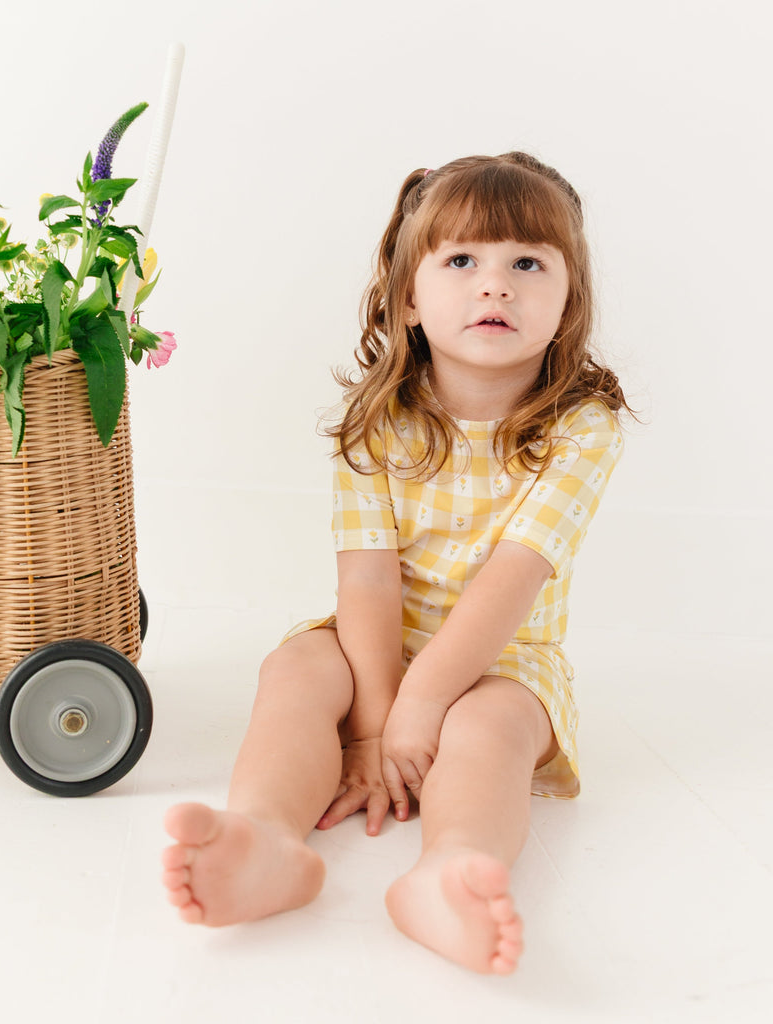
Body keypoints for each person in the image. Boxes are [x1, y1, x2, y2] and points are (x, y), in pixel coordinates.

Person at [161, 152, 630, 974]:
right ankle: (266, 838)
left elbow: (511, 579)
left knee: (487, 726)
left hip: (504, 656)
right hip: (375, 647)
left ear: (568, 303)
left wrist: (420, 708)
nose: (496, 286)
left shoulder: (581, 428)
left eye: (527, 262)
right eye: (462, 261)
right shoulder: (379, 422)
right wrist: (377, 722)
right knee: (297, 667)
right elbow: (369, 580)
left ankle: (447, 872)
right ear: (410, 299)